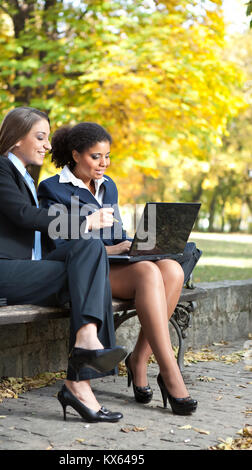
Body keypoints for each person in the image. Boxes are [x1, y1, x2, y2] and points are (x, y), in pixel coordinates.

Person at [0, 108, 127, 423]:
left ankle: (85, 348)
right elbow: (25, 216)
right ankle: (80, 379)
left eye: (47, 138)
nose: (48, 145)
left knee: (90, 252)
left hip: (26, 271)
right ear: (14, 139)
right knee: (89, 272)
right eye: (40, 137)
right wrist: (84, 220)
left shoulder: (25, 177)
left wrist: (89, 232)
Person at [38, 122, 198, 415]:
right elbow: (58, 245)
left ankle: (139, 360)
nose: (103, 164)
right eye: (95, 157)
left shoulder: (108, 185)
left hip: (118, 263)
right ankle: (170, 373)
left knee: (173, 269)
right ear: (75, 155)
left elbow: (115, 233)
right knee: (150, 273)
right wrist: (110, 249)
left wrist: (136, 244)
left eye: (107, 156)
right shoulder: (52, 189)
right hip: (84, 272)